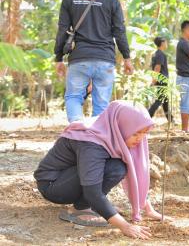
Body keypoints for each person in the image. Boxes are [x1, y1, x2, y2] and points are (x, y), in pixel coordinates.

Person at [34, 101, 169, 239]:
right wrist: (125, 226)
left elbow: (136, 170)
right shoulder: (91, 141)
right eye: (135, 134)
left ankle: (90, 206)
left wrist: (147, 208)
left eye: (144, 133)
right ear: (121, 126)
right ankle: (80, 209)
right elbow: (92, 192)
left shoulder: (110, 128)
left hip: (71, 176)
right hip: (53, 186)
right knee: (114, 169)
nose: (140, 139)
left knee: (117, 167)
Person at [54, 0, 134, 123]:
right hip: (105, 60)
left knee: (73, 97)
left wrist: (58, 58)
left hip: (79, 59)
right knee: (102, 104)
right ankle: (96, 140)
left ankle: (77, 133)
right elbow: (119, 31)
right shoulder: (112, 1)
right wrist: (127, 57)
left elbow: (62, 31)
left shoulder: (69, 0)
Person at [148, 37, 172, 122]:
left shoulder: (156, 54)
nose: (167, 44)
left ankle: (171, 120)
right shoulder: (160, 54)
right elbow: (157, 68)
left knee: (165, 100)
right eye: (166, 42)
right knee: (159, 100)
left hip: (161, 80)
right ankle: (147, 116)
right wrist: (154, 80)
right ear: (162, 43)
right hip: (161, 80)